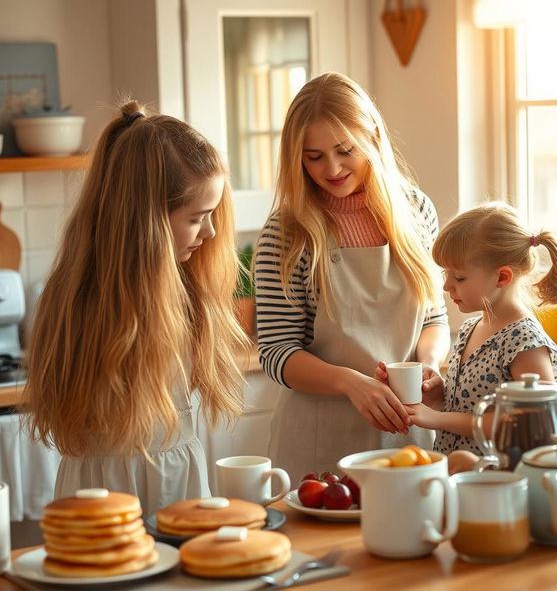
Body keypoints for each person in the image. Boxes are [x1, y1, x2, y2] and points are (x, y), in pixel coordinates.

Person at [23, 102, 248, 516]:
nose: (212, 231)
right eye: (197, 217)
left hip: (174, 480)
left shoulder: (186, 286)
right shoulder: (81, 298)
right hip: (103, 494)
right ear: (148, 222)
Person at [254, 72, 450, 482]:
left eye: (345, 150)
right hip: (318, 448)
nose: (332, 168)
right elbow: (276, 352)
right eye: (313, 156)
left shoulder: (416, 211)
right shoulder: (285, 233)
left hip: (407, 438)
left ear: (374, 136)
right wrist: (351, 383)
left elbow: (433, 319)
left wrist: (429, 365)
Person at [406, 201, 557, 461]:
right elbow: (468, 408)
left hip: (500, 482)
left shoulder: (525, 342)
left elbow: (532, 425)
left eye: (460, 277)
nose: (446, 286)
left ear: (502, 277)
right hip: (461, 475)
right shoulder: (469, 328)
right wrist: (439, 397)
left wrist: (439, 418)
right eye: (445, 273)